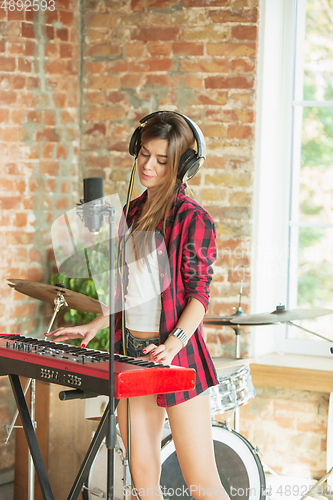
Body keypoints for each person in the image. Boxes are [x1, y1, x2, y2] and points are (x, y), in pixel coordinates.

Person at [48, 111, 229, 499]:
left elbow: (200, 295)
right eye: (144, 153)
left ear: (183, 166)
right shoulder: (130, 213)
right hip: (130, 356)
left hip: (176, 358)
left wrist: (174, 344)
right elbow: (129, 290)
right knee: (143, 482)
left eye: (162, 160)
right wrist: (95, 324)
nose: (148, 165)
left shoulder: (193, 219)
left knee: (202, 484)